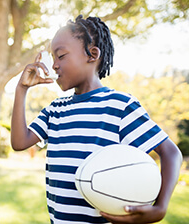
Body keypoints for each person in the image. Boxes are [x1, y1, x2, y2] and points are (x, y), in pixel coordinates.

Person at [11, 15, 183, 224]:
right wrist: (21, 89)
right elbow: (19, 143)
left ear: (92, 55)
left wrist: (160, 207)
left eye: (61, 56)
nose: (54, 65)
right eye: (53, 58)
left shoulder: (120, 106)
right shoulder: (55, 110)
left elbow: (171, 153)